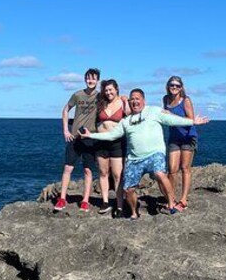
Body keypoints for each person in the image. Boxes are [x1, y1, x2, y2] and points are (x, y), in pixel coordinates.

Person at [82, 88, 210, 219]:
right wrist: (91, 135)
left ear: (143, 100)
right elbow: (111, 135)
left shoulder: (153, 111)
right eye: (132, 99)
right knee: (128, 189)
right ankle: (133, 212)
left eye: (137, 99)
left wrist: (192, 121)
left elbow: (172, 120)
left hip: (155, 154)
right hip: (134, 159)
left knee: (160, 173)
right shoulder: (126, 121)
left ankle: (171, 205)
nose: (134, 101)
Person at [54, 68, 100, 212]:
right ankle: (62, 199)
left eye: (93, 78)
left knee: (87, 170)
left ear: (97, 80)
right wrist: (65, 130)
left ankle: (85, 201)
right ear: (85, 79)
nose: (90, 80)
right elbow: (65, 110)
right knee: (68, 168)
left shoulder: (100, 97)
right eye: (88, 78)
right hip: (75, 137)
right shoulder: (77, 95)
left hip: (90, 138)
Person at [94, 79, 130, 215]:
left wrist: (126, 101)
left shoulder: (122, 101)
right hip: (100, 141)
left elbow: (130, 114)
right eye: (106, 90)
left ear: (116, 89)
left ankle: (120, 206)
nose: (108, 92)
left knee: (118, 175)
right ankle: (105, 202)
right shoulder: (101, 103)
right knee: (103, 173)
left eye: (111, 90)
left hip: (117, 142)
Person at [162, 76, 198, 212]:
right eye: (172, 85)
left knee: (185, 168)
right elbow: (165, 117)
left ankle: (183, 200)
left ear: (181, 87)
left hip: (188, 137)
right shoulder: (165, 99)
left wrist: (170, 116)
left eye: (177, 86)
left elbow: (191, 120)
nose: (174, 87)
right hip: (174, 138)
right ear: (168, 86)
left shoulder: (186, 100)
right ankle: (171, 199)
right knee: (172, 169)